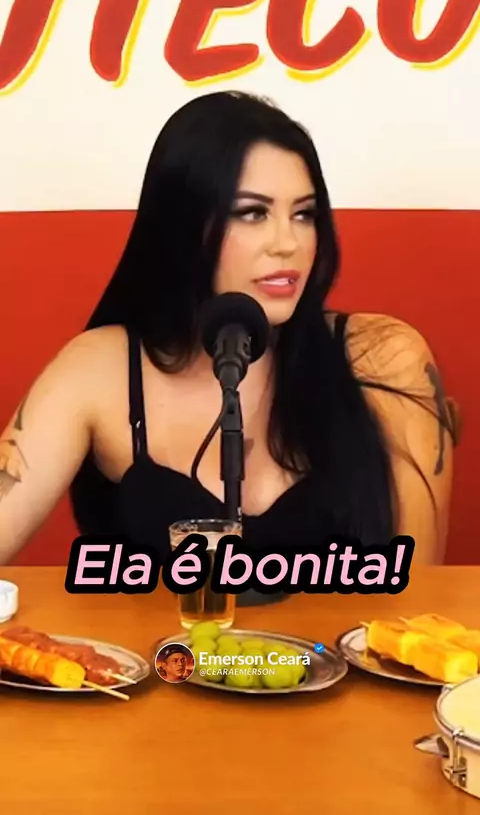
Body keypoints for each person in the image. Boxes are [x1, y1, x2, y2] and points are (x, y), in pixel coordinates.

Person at [0, 91, 454, 567]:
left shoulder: (385, 357)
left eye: (304, 214)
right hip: (157, 621)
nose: (288, 243)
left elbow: (422, 594)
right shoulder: (100, 367)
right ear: (183, 225)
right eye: (252, 213)